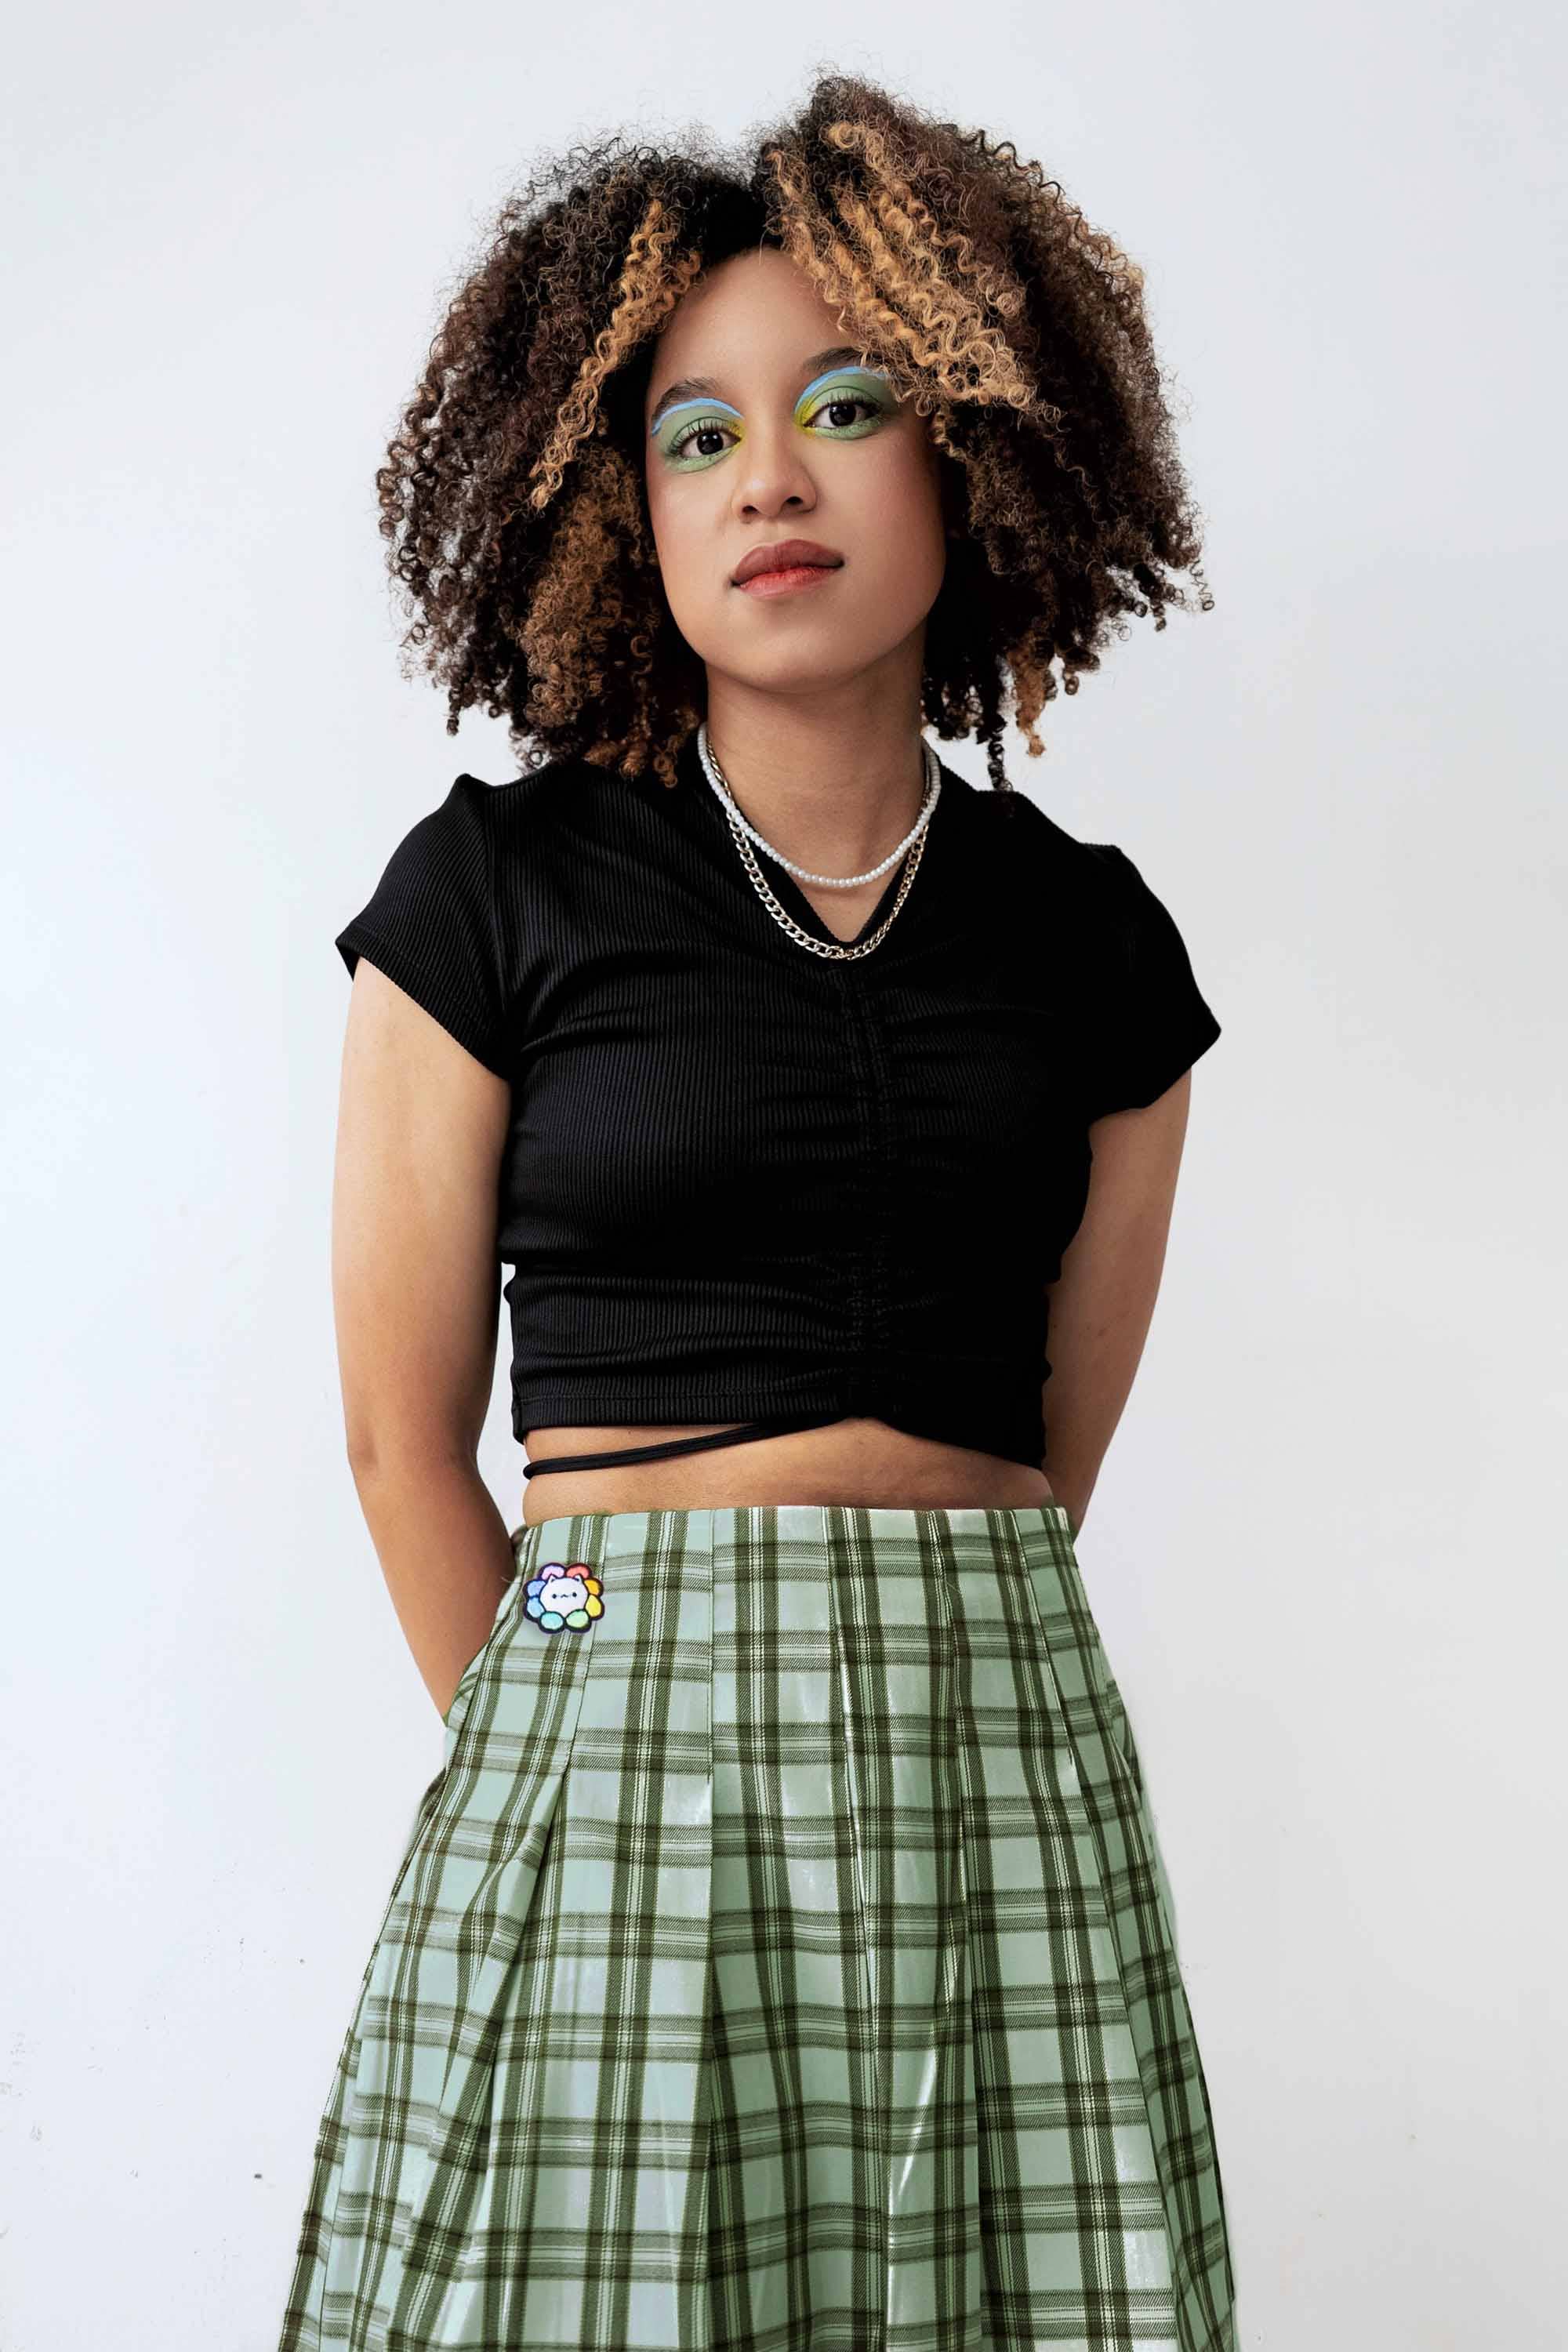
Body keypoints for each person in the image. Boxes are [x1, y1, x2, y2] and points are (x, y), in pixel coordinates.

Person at [276, 69, 1236, 2352]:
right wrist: (571, 1752)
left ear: (973, 454)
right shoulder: (493, 893)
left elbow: (1048, 1457)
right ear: (623, 505)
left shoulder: (1096, 948)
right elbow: (403, 1441)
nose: (768, 478)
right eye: (694, 434)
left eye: (843, 405)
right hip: (607, 1739)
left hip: (997, 1754)